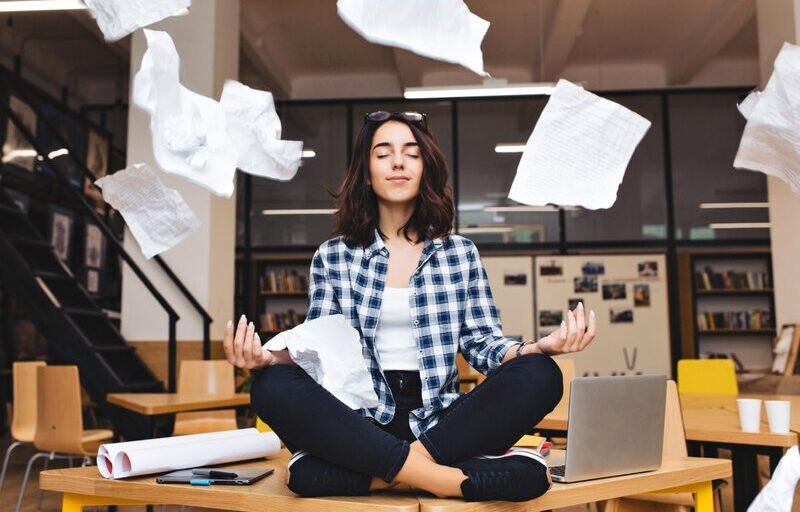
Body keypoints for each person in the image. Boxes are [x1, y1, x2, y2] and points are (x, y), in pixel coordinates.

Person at [224, 110, 597, 502]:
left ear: (425, 168)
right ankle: (446, 481)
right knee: (271, 387)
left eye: (411, 153)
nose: (398, 162)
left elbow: (482, 345)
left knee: (541, 374)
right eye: (383, 153)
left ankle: (383, 473)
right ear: (366, 172)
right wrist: (266, 360)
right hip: (359, 422)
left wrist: (539, 348)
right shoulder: (333, 256)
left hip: (443, 425)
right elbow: (322, 354)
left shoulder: (460, 254)